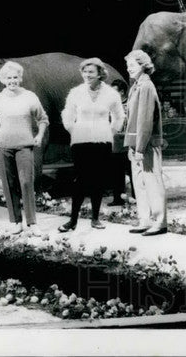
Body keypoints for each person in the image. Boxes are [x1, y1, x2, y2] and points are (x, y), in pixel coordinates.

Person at [0, 60, 48, 236]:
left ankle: (32, 223)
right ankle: (16, 222)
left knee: (26, 183)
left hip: (25, 146)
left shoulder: (30, 96)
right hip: (3, 147)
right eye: (8, 78)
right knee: (9, 185)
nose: (12, 81)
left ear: (20, 78)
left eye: (15, 77)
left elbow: (43, 119)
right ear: (3, 80)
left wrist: (39, 136)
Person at [58, 58, 124, 232]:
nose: (87, 75)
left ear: (100, 74)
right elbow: (67, 114)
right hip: (81, 142)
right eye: (85, 72)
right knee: (80, 180)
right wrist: (74, 130)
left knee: (98, 179)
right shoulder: (75, 92)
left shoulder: (111, 94)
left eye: (91, 72)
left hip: (102, 142)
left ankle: (95, 218)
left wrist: (110, 132)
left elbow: (119, 117)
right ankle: (72, 221)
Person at [124, 50, 167, 236]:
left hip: (147, 144)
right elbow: (132, 119)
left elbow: (144, 120)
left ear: (143, 65)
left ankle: (159, 222)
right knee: (140, 184)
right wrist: (132, 145)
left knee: (152, 182)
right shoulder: (136, 86)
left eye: (132, 65)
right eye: (127, 66)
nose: (128, 69)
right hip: (137, 144)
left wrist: (140, 147)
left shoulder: (146, 86)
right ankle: (145, 220)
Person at [108, 78, 135, 207]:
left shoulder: (130, 104)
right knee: (116, 172)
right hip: (115, 143)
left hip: (128, 143)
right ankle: (118, 198)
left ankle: (136, 197)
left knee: (132, 172)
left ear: (123, 92)